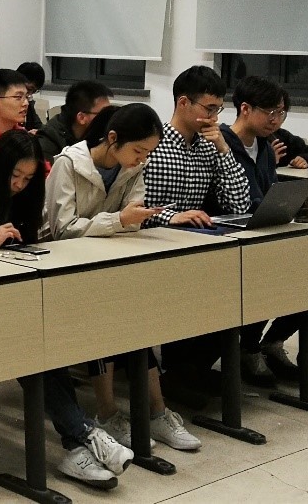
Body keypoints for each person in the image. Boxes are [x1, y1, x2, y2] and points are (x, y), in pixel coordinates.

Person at [0, 131, 134, 490]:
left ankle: (78, 444)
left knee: (46, 339)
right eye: (14, 176)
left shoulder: (23, 200)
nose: (19, 185)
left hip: (8, 304)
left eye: (27, 178)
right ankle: (84, 434)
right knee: (29, 344)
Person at [44, 104, 202, 452]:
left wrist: (123, 221)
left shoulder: (133, 168)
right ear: (113, 138)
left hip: (108, 263)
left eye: (148, 152)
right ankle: (107, 412)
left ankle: (157, 412)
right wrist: (118, 221)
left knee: (138, 317)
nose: (142, 159)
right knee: (108, 317)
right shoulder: (68, 164)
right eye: (138, 150)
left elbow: (133, 221)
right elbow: (62, 231)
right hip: (63, 270)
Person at [141, 66, 251, 392]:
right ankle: (179, 372)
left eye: (219, 109)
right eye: (209, 108)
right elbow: (132, 209)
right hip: (154, 244)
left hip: (197, 245)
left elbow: (239, 203)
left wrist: (224, 150)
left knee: (241, 292)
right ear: (183, 103)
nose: (215, 117)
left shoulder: (208, 146)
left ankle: (189, 371)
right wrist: (171, 216)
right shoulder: (153, 145)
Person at [222, 76, 302, 384]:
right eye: (270, 112)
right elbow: (238, 201)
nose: (276, 120)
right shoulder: (223, 144)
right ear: (245, 109)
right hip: (234, 236)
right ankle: (249, 347)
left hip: (264, 232)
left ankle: (272, 341)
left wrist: (296, 200)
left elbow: (270, 192)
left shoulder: (265, 148)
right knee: (267, 276)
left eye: (281, 113)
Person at [37, 80, 113, 158]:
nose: (109, 118)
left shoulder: (101, 134)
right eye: (104, 114)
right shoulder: (49, 140)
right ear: (81, 117)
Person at [0, 62, 46, 131]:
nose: (29, 95)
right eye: (18, 97)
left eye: (34, 91)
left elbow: (39, 126)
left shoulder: (27, 104)